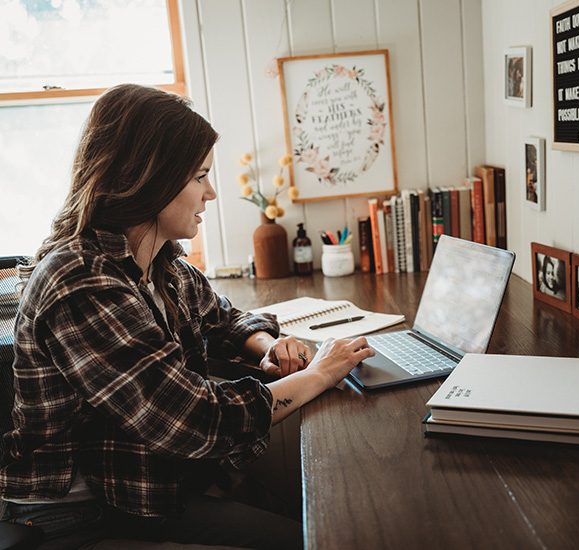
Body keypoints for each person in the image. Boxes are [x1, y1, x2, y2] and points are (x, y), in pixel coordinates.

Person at [0, 84, 375, 549]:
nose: (211, 193)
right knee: (315, 538)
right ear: (150, 179)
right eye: (200, 177)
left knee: (311, 518)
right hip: (83, 516)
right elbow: (194, 421)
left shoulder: (160, 262)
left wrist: (269, 350)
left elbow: (225, 320)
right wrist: (319, 374)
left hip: (148, 491)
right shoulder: (80, 280)